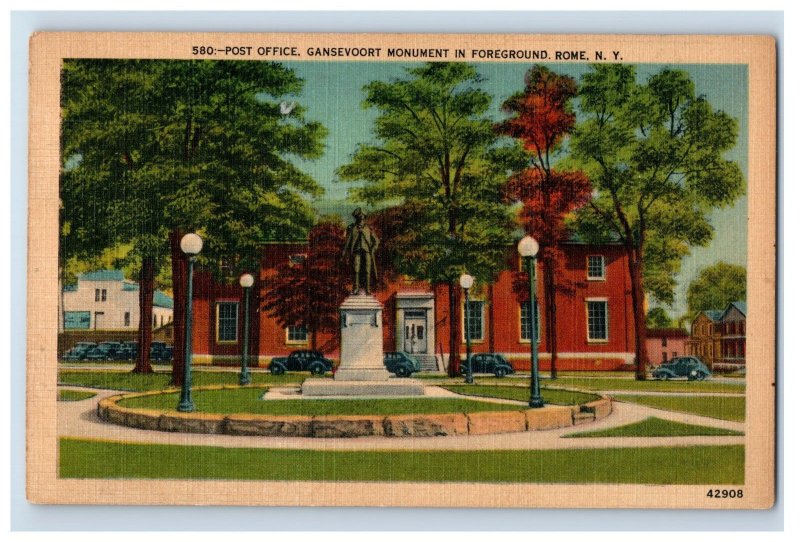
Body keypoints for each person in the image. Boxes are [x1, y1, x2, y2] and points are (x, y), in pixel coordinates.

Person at [342, 208, 379, 295]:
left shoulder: (368, 229)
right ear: (357, 218)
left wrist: (372, 250)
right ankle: (356, 288)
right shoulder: (352, 228)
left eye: (362, 217)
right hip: (356, 251)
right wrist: (344, 254)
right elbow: (347, 243)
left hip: (367, 252)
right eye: (359, 217)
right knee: (356, 269)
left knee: (367, 270)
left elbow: (376, 241)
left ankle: (368, 289)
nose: (361, 218)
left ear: (364, 218)